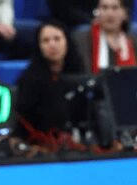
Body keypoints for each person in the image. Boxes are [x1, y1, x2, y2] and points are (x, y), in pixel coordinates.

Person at [11, 21, 86, 153]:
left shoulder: (80, 73)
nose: (52, 44)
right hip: (40, 148)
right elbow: (21, 122)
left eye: (57, 39)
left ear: (67, 41)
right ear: (39, 46)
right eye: (45, 41)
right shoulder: (29, 79)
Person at [47, 0, 137, 52]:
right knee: (83, 35)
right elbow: (62, 10)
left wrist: (121, 20)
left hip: (117, 24)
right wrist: (96, 22)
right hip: (82, 24)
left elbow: (127, 6)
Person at [72, 0, 137, 75]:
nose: (110, 14)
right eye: (104, 7)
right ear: (97, 12)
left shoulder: (133, 40)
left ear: (124, 13)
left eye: (115, 8)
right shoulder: (82, 39)